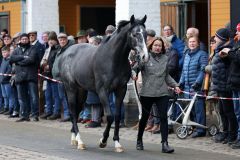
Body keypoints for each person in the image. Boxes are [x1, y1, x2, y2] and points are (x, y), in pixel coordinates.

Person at [134, 37, 180, 153]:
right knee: (144, 118)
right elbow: (135, 69)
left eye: (160, 45)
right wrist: (134, 74)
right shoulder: (145, 57)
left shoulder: (165, 58)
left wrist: (176, 85)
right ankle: (139, 140)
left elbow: (166, 76)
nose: (158, 47)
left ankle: (165, 144)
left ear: (162, 47)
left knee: (163, 117)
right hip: (147, 93)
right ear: (151, 46)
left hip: (162, 92)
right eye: (155, 45)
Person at [211, 28, 238, 144]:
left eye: (216, 37)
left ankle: (232, 134)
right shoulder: (219, 49)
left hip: (226, 86)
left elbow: (227, 68)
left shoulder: (228, 50)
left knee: (229, 111)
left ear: (222, 38)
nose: (214, 38)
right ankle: (225, 132)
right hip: (219, 85)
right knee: (222, 111)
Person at [179, 36, 208, 138]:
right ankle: (194, 127)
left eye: (194, 42)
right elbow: (183, 71)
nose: (192, 43)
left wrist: (198, 82)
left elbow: (203, 70)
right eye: (190, 42)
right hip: (187, 87)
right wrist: (180, 83)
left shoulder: (202, 54)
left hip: (197, 87)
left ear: (198, 43)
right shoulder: (187, 55)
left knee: (199, 109)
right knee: (192, 110)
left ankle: (201, 130)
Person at [218, 23, 240, 149]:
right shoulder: (237, 44)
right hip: (235, 83)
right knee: (237, 113)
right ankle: (238, 137)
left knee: (238, 113)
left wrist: (229, 52)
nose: (236, 33)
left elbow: (238, 58)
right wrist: (225, 56)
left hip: (238, 83)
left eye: (238, 31)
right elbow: (234, 60)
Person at [9, 33, 39, 122]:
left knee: (33, 97)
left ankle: (34, 115)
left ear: (28, 40)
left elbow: (31, 60)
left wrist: (18, 62)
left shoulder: (33, 48)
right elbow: (11, 59)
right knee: (21, 97)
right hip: (19, 77)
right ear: (20, 40)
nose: (24, 40)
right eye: (23, 39)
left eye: (26, 39)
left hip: (31, 76)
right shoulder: (16, 50)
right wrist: (22, 57)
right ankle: (24, 115)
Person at [52, 32, 74, 122]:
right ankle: (67, 114)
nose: (62, 41)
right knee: (62, 96)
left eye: (64, 39)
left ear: (67, 40)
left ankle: (68, 114)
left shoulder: (69, 49)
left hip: (64, 77)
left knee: (66, 96)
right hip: (58, 78)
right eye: (60, 39)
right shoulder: (59, 49)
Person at [39, 31, 61, 120]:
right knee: (47, 95)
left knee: (56, 95)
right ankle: (48, 111)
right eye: (49, 40)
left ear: (56, 40)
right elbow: (44, 60)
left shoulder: (58, 50)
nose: (50, 41)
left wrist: (49, 66)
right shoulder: (48, 50)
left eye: (52, 39)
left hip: (54, 76)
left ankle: (56, 112)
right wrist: (43, 64)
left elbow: (57, 62)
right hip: (47, 75)